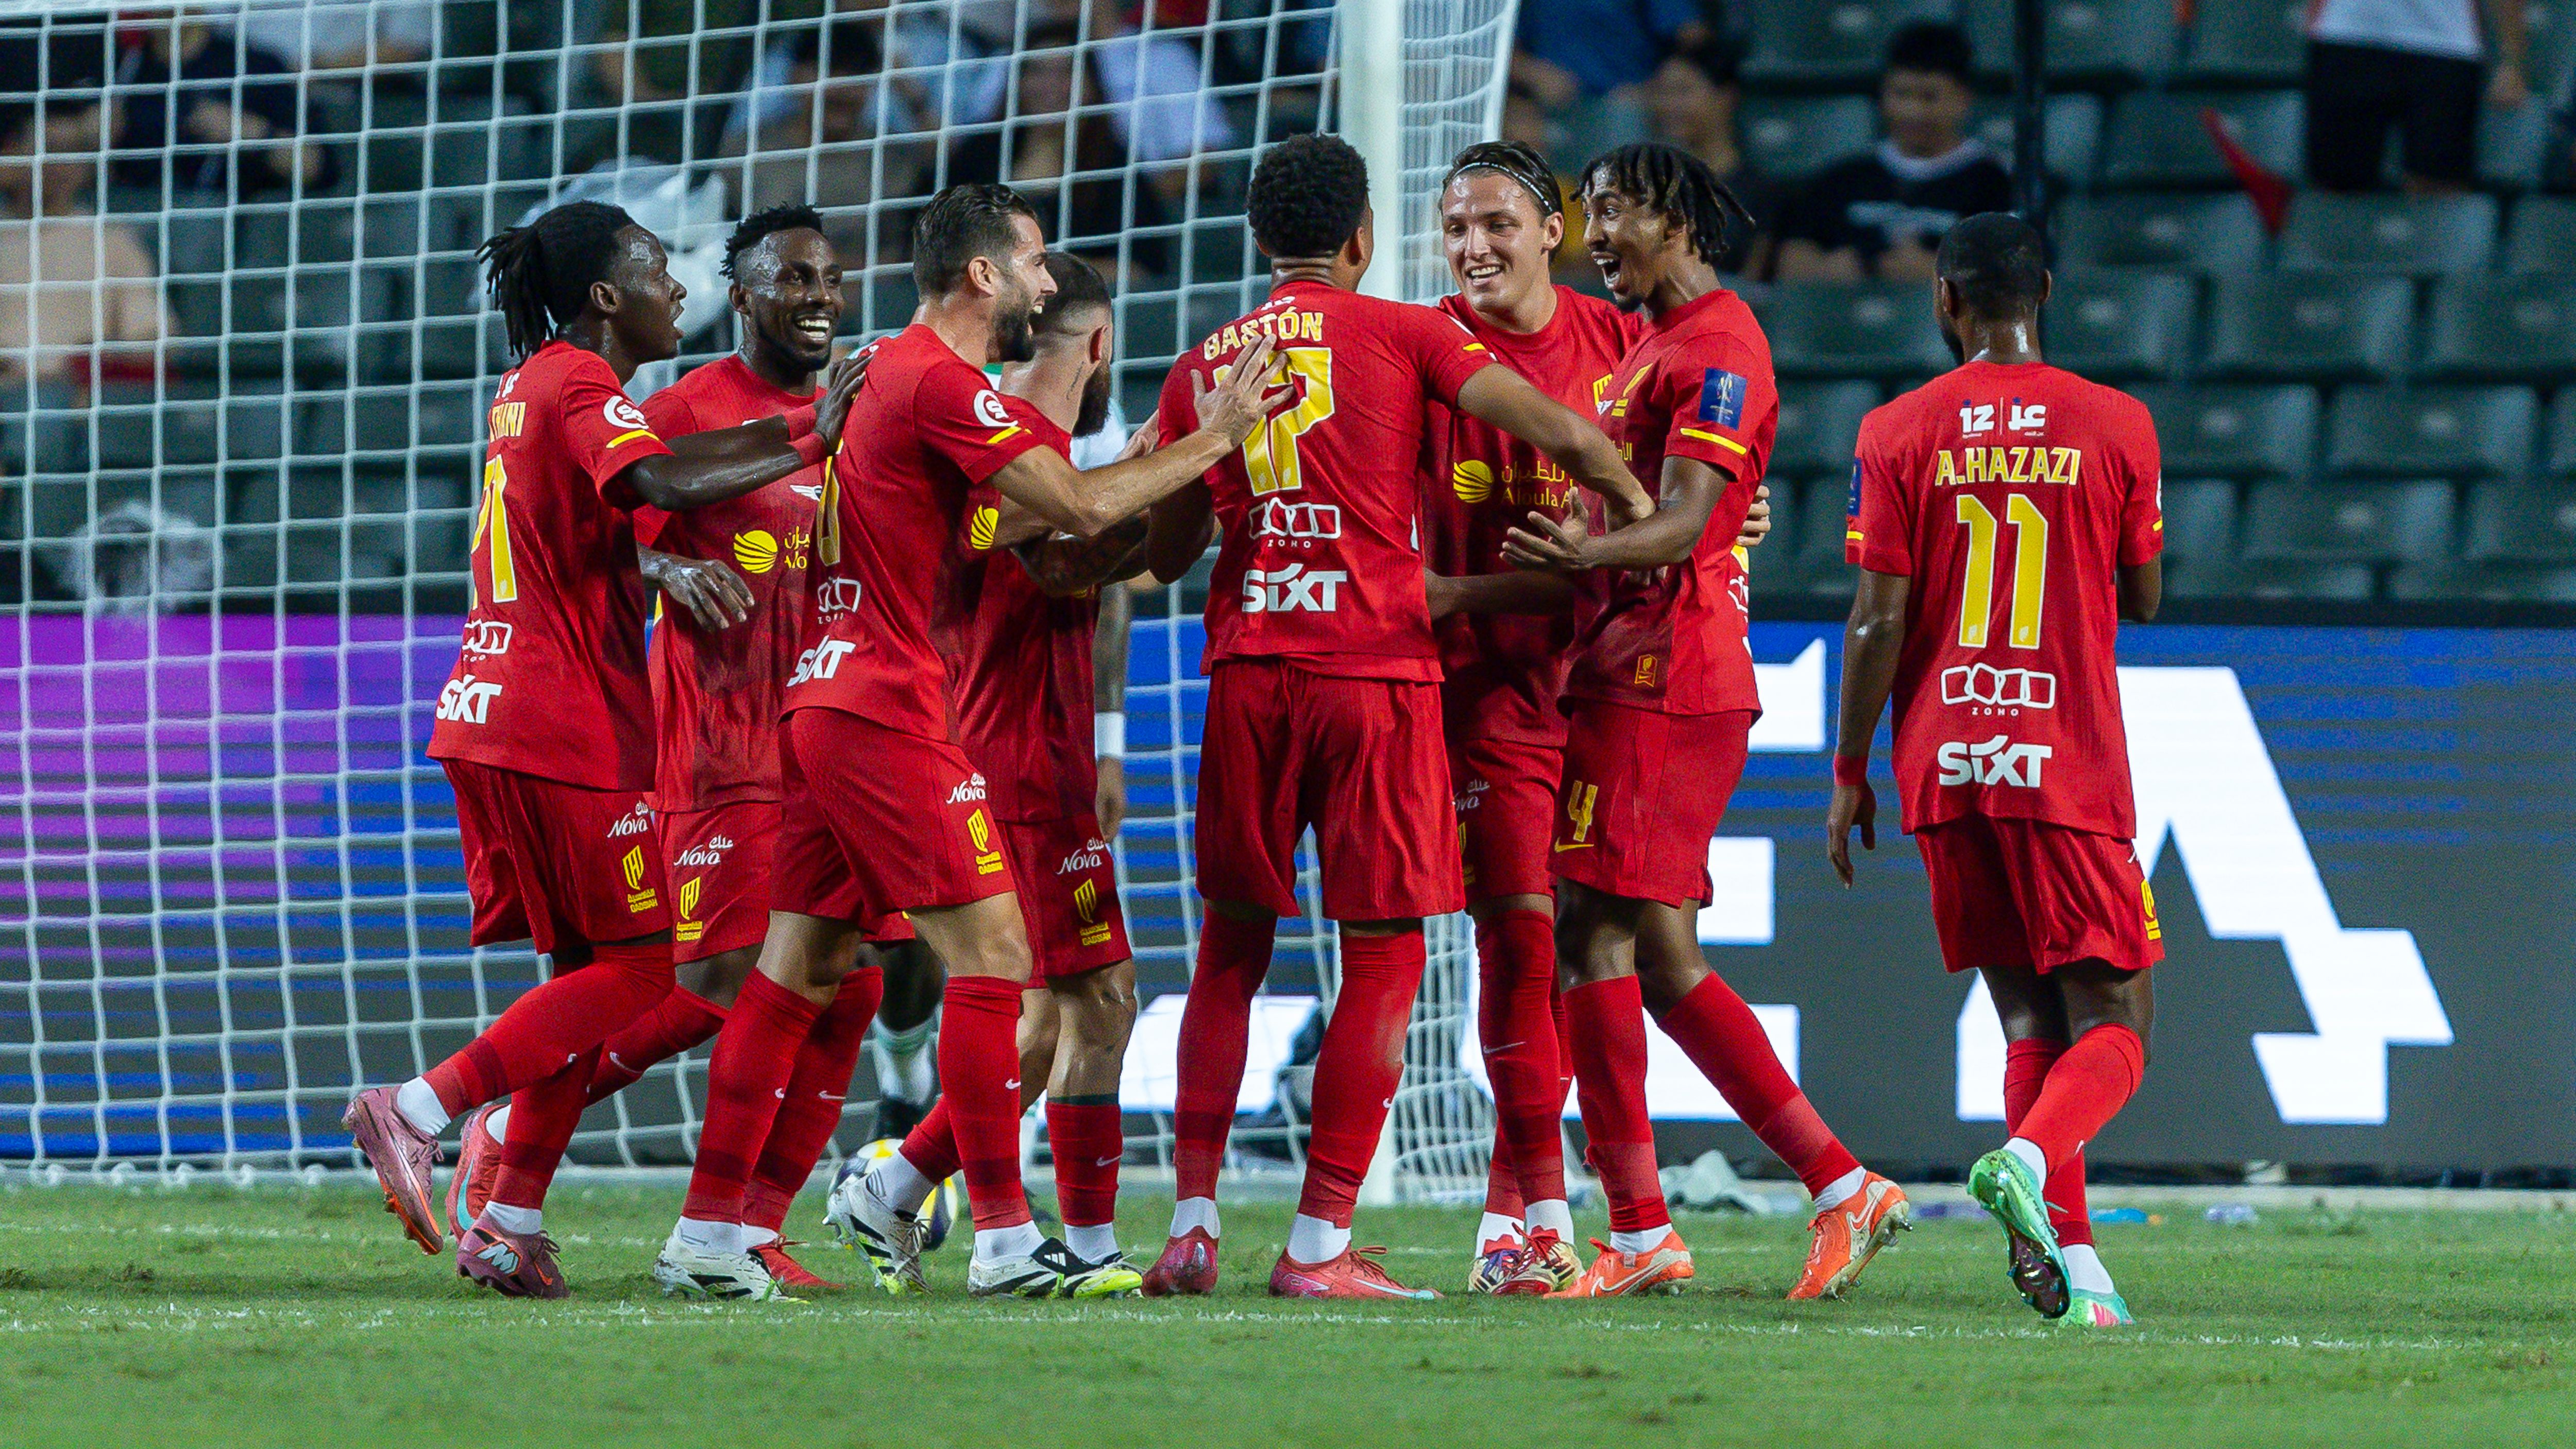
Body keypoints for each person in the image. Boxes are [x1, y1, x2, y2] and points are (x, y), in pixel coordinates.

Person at [669, 181, 1281, 1301]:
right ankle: (1003, 1237)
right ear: (983, 274)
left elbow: (1056, 540)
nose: (1046, 281)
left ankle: (709, 1232)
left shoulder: (892, 381)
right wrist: (1218, 438)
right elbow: (1083, 511)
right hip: (889, 705)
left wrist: (1142, 472)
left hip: (822, 692)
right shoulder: (941, 382)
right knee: (1000, 964)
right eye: (1034, 260)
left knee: (797, 964)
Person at [1135, 132, 1652, 1302]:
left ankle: (1194, 1223)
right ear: (1362, 240)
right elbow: (1567, 433)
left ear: (1259, 242)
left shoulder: (1203, 362)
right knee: (1385, 952)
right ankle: (1317, 1243)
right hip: (1373, 674)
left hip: (1250, 668)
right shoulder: (1412, 333)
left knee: (1229, 950)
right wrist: (1634, 522)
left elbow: (1165, 557)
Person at [340, 200, 864, 1298]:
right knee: (642, 971)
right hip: (562, 717)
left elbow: (584, 527)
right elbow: (657, 485)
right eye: (658, 270)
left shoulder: (528, 386)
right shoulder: (585, 384)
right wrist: (818, 431)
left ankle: (509, 1216)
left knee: (598, 975)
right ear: (605, 296)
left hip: (501, 703)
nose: (679, 291)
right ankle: (425, 1106)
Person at [1502, 143, 1907, 1300]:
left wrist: (1588, 548)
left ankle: (1646, 1227)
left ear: (1676, 217)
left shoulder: (1721, 344)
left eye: (1615, 211)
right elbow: (1698, 503)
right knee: (1651, 949)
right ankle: (1832, 1187)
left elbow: (1683, 523)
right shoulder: (1650, 348)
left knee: (1591, 932)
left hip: (1665, 675)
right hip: (1628, 665)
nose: (1596, 236)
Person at [1828, 212, 2164, 1329]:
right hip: (2061, 754)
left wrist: (1848, 768)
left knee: (2027, 1018)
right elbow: (2145, 594)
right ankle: (2026, 1157)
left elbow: (1877, 613)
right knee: (2115, 1015)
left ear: (1945, 300)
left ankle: (2082, 1272)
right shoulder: (2115, 421)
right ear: (2046, 294)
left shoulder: (1894, 428)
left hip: (1944, 756)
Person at [830, 251, 1147, 1277]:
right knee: (1085, 1000)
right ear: (1099, 344)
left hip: (1026, 745)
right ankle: (1063, 1238)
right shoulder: (1007, 448)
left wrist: (1105, 738)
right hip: (1007, 752)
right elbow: (1086, 547)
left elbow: (1110, 582)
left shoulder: (1025, 441)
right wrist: (1205, 454)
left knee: (1061, 1009)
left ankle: (898, 1189)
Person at [1772, 22, 2008, 284]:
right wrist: (1830, 272)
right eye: (1901, 94)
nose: (1912, 111)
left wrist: (1938, 274)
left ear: (1963, 99)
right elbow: (1792, 261)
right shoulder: (1844, 177)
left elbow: (2011, 279)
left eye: (1929, 97)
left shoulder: (1996, 183)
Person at [0, 101, 165, 389]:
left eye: (73, 152)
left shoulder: (113, 242)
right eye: (50, 150)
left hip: (77, 403)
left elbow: (149, 337)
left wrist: (90, 366)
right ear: (14, 157)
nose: (61, 165)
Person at [2305, 0, 2530, 192]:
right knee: (2337, 186)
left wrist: (2512, 60)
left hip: (2445, 46)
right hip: (2347, 37)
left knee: (2438, 187)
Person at [108, 14, 331, 195]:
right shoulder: (119, 65)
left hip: (228, 234)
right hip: (125, 226)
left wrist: (250, 132)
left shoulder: (255, 66)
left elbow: (318, 168)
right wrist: (87, 137)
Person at [1642, 36, 1781, 279]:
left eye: (1683, 92)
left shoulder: (1758, 190)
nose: (1668, 105)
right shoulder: (1643, 186)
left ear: (1726, 97)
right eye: (1662, 92)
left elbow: (1753, 279)